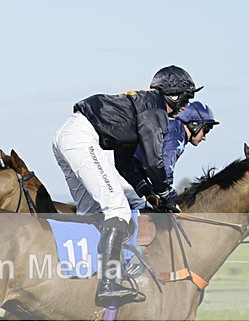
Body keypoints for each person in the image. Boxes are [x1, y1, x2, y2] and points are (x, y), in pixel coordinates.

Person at [52, 65, 201, 306]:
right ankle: (109, 284)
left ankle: (86, 281)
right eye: (186, 97)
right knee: (118, 209)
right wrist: (165, 193)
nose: (186, 105)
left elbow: (124, 163)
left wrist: (147, 192)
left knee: (93, 213)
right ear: (173, 94)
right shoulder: (156, 112)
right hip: (81, 138)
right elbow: (155, 161)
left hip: (66, 136)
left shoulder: (141, 107)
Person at [134, 100, 219, 198]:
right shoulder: (176, 137)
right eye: (206, 130)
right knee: (137, 204)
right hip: (127, 170)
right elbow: (165, 170)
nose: (204, 137)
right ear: (195, 124)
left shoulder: (174, 129)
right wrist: (173, 197)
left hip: (133, 170)